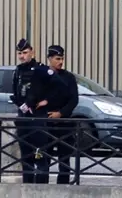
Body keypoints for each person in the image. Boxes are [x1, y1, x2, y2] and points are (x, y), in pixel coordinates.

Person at [10, 38, 51, 184]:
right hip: (24, 118)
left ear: (32, 52)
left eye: (25, 53)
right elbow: (15, 92)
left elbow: (55, 90)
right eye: (20, 53)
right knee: (26, 157)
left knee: (40, 155)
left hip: (38, 119)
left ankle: (41, 189)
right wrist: (21, 104)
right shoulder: (18, 71)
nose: (22, 56)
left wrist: (47, 101)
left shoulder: (42, 69)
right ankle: (27, 186)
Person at [43, 44, 80, 186]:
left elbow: (74, 99)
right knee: (44, 157)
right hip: (46, 122)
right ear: (50, 59)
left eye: (62, 59)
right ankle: (42, 186)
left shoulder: (68, 77)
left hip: (64, 122)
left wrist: (61, 113)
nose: (60, 62)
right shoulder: (43, 75)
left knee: (65, 159)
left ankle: (63, 187)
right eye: (57, 58)